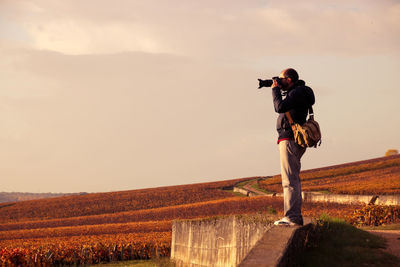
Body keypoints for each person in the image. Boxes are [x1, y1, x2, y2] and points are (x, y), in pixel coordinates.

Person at [271, 68, 315, 226]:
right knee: (293, 178)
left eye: (281, 79)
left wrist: (275, 90)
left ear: (289, 80)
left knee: (289, 180)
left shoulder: (296, 93)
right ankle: (294, 216)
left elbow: (279, 107)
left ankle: (292, 217)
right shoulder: (299, 92)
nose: (279, 82)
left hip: (289, 139)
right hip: (293, 139)